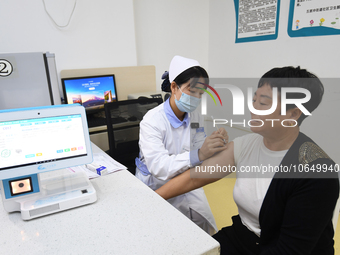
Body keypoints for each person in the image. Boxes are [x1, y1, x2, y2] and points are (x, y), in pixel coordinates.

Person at [156, 66, 340, 254]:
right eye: (254, 100)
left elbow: (289, 250)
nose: (253, 108)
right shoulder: (248, 144)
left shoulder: (317, 173)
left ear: (293, 114)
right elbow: (195, 177)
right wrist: (153, 198)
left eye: (263, 103)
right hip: (244, 239)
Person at [135, 55, 229, 235]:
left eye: (201, 94)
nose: (196, 98)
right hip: (156, 184)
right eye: (191, 91)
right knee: (163, 233)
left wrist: (215, 143)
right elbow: (159, 167)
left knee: (205, 224)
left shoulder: (194, 116)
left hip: (186, 178)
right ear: (174, 87)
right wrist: (199, 154)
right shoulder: (152, 121)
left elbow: (199, 144)